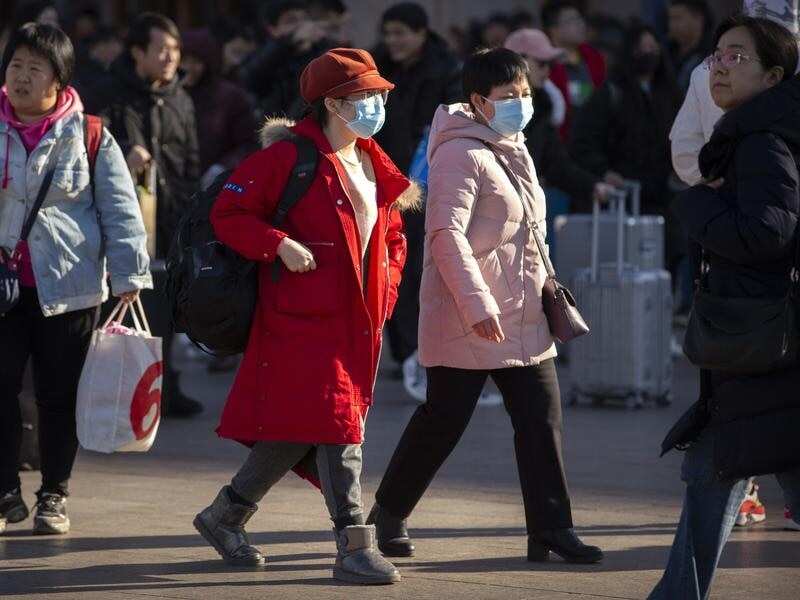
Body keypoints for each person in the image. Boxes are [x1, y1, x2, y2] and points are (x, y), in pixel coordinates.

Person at [366, 47, 604, 566]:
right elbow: (444, 236)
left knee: (542, 421)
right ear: (478, 100)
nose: (522, 102)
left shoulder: (513, 145)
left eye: (525, 93)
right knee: (443, 421)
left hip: (524, 311)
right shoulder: (458, 153)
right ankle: (387, 513)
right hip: (469, 315)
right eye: (509, 96)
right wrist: (477, 304)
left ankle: (552, 528)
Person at [197, 47, 419, 585]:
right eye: (363, 97)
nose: (375, 105)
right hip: (299, 322)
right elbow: (226, 213)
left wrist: (384, 294)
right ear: (331, 104)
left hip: (355, 324)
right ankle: (352, 543)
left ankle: (225, 514)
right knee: (340, 426)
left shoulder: (370, 158)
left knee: (304, 427)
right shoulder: (286, 159)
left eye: (376, 96)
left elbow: (392, 237)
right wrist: (278, 244)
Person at [650, 16, 800, 599]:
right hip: (762, 339)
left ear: (773, 76)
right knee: (724, 463)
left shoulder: (762, 142)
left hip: (762, 339)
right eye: (716, 56)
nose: (719, 66)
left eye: (737, 57)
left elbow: (767, 232)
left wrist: (696, 209)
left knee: (716, 464)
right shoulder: (755, 134)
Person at [0, 23, 151, 536]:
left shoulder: (88, 133)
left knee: (57, 397)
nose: (21, 77)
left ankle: (53, 495)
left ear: (59, 79)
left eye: (33, 68)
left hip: (68, 288)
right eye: (15, 65)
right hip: (4, 286)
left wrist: (131, 272)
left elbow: (120, 208)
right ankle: (3, 493)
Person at [103, 12, 202, 417]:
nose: (169, 57)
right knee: (125, 304)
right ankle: (120, 388)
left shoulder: (181, 98)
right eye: (160, 49)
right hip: (127, 218)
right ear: (137, 52)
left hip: (172, 217)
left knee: (164, 306)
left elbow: (192, 158)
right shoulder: (111, 95)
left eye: (175, 50)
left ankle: (163, 384)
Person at [372, 1, 461, 389]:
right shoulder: (378, 67)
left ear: (421, 33)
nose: (393, 41)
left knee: (417, 269)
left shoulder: (445, 70)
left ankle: (419, 350)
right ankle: (404, 349)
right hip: (383, 179)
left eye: (401, 33)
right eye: (388, 33)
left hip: (427, 185)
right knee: (387, 265)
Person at [570, 24, 682, 270]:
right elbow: (582, 141)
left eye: (653, 47)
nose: (648, 53)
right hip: (625, 197)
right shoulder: (610, 94)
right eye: (641, 48)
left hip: (664, 196)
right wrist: (604, 171)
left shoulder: (671, 94)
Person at [505, 28, 613, 213]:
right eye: (541, 63)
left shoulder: (543, 107)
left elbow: (557, 164)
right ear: (518, 62)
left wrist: (592, 186)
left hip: (524, 210)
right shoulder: (494, 107)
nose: (548, 71)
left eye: (551, 64)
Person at [237, 0, 337, 120]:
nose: (301, 26)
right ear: (273, 29)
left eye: (304, 19)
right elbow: (249, 78)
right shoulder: (265, 57)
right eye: (291, 21)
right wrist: (289, 43)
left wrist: (323, 44)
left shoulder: (320, 51)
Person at [541, 1, 607, 140]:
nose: (580, 24)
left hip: (596, 139)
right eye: (572, 20)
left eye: (580, 19)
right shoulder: (544, 65)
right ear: (553, 30)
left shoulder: (594, 58)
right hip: (560, 142)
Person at [71, 26, 123, 114]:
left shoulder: (110, 71)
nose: (118, 49)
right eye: (113, 43)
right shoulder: (80, 70)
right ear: (100, 45)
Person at [667, 0, 714, 92]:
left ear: (698, 18)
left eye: (678, 18)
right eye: (670, 19)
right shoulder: (666, 52)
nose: (672, 25)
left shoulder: (712, 55)